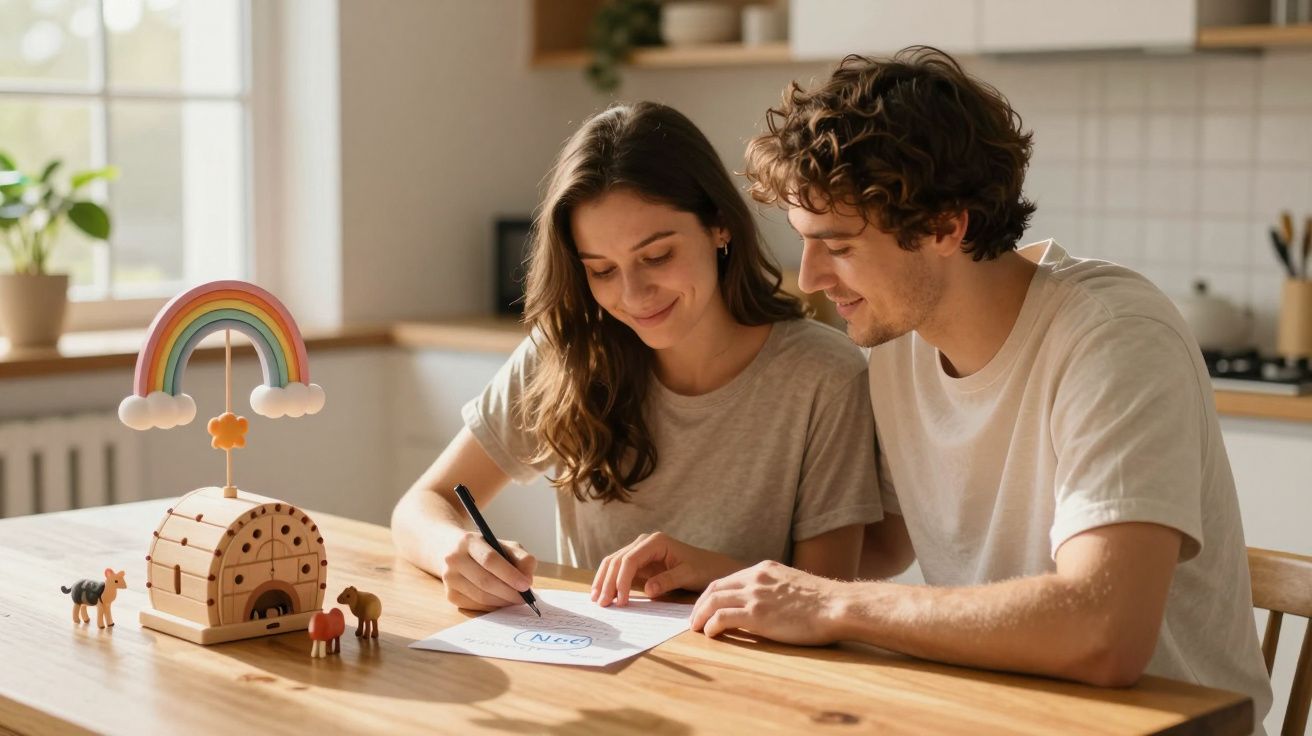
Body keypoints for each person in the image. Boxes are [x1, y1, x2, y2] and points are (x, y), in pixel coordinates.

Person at [688, 47, 1272, 729]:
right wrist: (721, 573)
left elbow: (1104, 632)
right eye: (804, 242)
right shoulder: (900, 346)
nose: (811, 277)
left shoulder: (1112, 337)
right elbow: (883, 545)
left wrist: (830, 604)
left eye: (838, 245)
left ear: (944, 225)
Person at [391, 101, 882, 613]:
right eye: (602, 270)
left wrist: (709, 570)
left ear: (720, 226)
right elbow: (423, 505)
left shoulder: (826, 376)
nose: (634, 294)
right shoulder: (567, 351)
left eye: (656, 256)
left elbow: (828, 595)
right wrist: (456, 550)